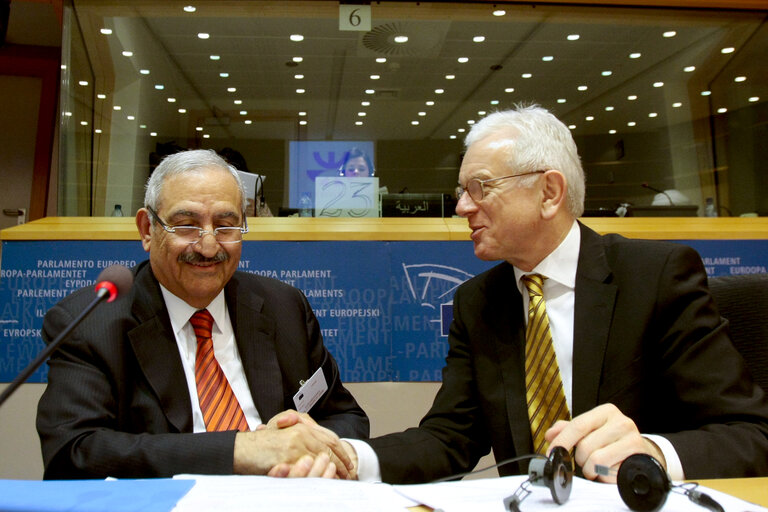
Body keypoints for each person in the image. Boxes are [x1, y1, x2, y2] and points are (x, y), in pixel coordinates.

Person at [271, 104, 768, 483]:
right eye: (463, 190)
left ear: (549, 193)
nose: (463, 206)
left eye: (480, 187)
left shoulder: (655, 276)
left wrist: (653, 453)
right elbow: (450, 439)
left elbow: (750, 436)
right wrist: (350, 457)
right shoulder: (478, 303)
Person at [36, 149, 368, 479]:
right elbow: (73, 453)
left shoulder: (284, 307)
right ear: (147, 230)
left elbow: (346, 416)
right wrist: (241, 449)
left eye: (226, 225)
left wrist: (315, 452)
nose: (208, 246)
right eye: (186, 225)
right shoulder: (90, 325)